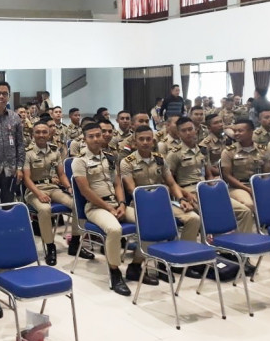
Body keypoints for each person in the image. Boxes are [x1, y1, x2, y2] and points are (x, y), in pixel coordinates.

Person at [72, 123, 158, 296]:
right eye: (91, 136)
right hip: (95, 207)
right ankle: (115, 272)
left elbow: (118, 183)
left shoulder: (111, 157)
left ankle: (135, 266)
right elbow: (85, 191)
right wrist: (108, 207)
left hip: (115, 204)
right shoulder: (79, 161)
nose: (96, 139)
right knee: (114, 229)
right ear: (85, 139)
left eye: (98, 135)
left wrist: (122, 204)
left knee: (150, 223)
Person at [121, 125, 202, 279]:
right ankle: (136, 265)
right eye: (141, 139)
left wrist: (181, 199)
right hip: (139, 205)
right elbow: (132, 189)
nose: (145, 142)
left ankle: (182, 259)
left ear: (153, 141)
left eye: (148, 139)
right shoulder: (127, 162)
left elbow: (171, 183)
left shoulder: (159, 159)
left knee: (193, 218)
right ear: (135, 142)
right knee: (153, 223)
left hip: (162, 203)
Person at [166, 117, 253, 234]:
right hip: (189, 191)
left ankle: (243, 241)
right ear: (178, 133)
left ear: (196, 130)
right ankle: (215, 239)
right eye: (184, 130)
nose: (188, 133)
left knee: (245, 211)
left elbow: (208, 174)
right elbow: (170, 182)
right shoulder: (174, 154)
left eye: (190, 129)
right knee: (213, 214)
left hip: (206, 188)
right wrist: (184, 195)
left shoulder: (202, 150)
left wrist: (213, 186)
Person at [24, 120, 93, 265]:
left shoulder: (55, 151)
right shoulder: (28, 153)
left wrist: (69, 188)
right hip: (34, 190)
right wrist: (39, 194)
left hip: (52, 187)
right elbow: (27, 179)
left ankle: (75, 243)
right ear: (33, 134)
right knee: (45, 209)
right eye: (38, 132)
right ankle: (50, 247)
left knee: (76, 204)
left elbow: (61, 175)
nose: (41, 135)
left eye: (44, 132)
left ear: (49, 133)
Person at [222, 118, 270, 219]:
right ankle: (254, 227)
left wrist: (264, 187)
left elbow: (266, 173)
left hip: (259, 185)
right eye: (235, 131)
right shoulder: (229, 151)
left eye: (240, 131)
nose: (236, 133)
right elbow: (227, 175)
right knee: (249, 204)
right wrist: (248, 189)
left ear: (251, 132)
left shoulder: (262, 150)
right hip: (238, 187)